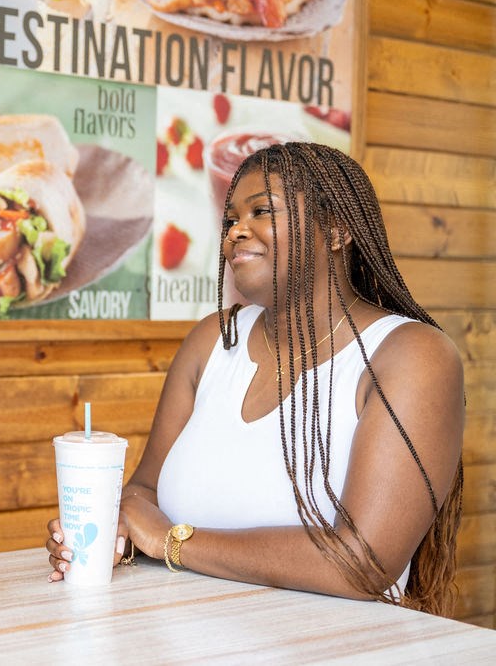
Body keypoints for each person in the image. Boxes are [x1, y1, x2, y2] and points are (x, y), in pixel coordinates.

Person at [46, 142, 464, 616]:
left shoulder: (412, 356)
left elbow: (363, 562)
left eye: (261, 211)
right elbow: (144, 494)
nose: (235, 232)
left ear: (337, 230)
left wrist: (172, 542)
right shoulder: (212, 340)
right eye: (229, 221)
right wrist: (110, 531)